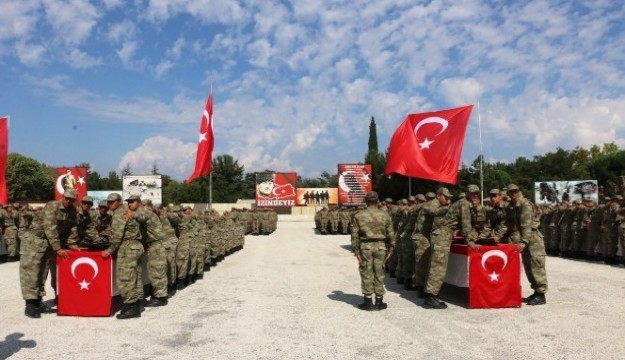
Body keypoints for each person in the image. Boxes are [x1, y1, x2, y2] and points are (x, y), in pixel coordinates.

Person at [423, 184, 480, 309]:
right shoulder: (464, 203)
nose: (475, 195)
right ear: (467, 193)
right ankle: (430, 298)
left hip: (442, 233)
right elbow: (466, 225)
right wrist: (470, 241)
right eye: (472, 193)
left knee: (436, 265)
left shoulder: (463, 203)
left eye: (476, 193)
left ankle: (431, 294)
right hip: (442, 234)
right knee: (438, 266)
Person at [101, 193, 149, 319]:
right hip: (137, 246)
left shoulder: (119, 214)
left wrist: (110, 250)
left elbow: (117, 236)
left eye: (113, 202)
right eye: (109, 202)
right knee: (136, 277)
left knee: (126, 278)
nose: (110, 204)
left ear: (119, 201)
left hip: (128, 248)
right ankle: (138, 304)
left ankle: (132, 307)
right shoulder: (128, 211)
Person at [502, 184, 548, 305]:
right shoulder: (514, 206)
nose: (513, 194)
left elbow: (526, 226)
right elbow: (508, 223)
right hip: (527, 239)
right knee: (529, 268)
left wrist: (523, 242)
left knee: (536, 267)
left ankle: (541, 294)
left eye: (515, 192)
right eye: (510, 193)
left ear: (519, 191)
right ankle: (536, 293)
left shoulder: (525, 205)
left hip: (533, 241)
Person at [350, 191, 395, 311]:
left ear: (365, 201)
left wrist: (356, 252)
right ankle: (379, 301)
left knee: (366, 272)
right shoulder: (385, 215)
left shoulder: (359, 215)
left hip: (366, 247)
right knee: (379, 272)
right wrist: (391, 249)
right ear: (378, 201)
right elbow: (391, 234)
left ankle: (368, 301)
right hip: (381, 247)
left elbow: (354, 236)